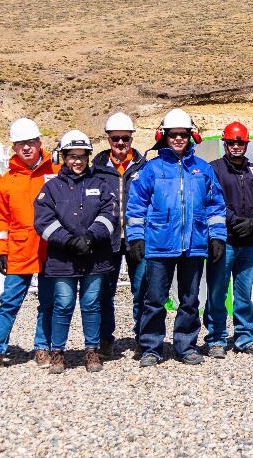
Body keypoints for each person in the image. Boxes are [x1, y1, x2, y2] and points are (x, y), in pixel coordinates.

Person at [125, 109, 228, 367]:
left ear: (190, 136)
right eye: (173, 135)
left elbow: (215, 205)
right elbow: (136, 204)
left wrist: (217, 236)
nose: (179, 139)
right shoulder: (151, 169)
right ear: (164, 136)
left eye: (183, 134)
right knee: (155, 300)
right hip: (159, 245)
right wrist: (136, 237)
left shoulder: (202, 169)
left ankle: (186, 346)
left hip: (194, 246)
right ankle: (151, 347)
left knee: (190, 300)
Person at [32, 130, 118, 374]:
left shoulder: (100, 185)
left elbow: (110, 214)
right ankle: (57, 352)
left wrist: (91, 237)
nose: (77, 161)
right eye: (72, 156)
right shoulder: (51, 188)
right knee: (63, 304)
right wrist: (68, 241)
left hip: (95, 257)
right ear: (64, 157)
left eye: (82, 156)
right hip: (62, 258)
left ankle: (91, 351)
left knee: (91, 304)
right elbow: (43, 221)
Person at [0, 118, 58, 370]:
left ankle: (42, 347)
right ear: (14, 147)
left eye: (30, 143)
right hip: (20, 249)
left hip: (50, 249)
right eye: (20, 144)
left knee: (48, 302)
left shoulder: (54, 174)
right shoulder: (7, 182)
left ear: (39, 143)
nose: (26, 148)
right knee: (9, 301)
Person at [205, 122, 253, 357]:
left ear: (246, 144)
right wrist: (232, 220)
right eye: (231, 142)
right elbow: (212, 199)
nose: (236, 146)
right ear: (225, 143)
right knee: (218, 292)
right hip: (224, 241)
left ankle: (245, 337)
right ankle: (216, 339)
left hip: (249, 243)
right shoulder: (213, 170)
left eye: (240, 142)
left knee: (244, 293)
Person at [91, 112, 147, 358]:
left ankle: (143, 339)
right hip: (107, 240)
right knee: (105, 292)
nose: (121, 143)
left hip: (137, 238)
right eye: (116, 139)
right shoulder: (96, 169)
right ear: (108, 139)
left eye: (125, 138)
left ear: (132, 138)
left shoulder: (144, 168)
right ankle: (105, 340)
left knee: (142, 291)